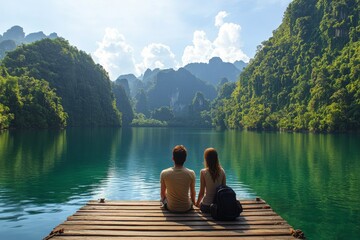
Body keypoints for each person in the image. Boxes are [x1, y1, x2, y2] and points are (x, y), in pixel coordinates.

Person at [160, 145, 196, 212]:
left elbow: (162, 194)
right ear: (185, 159)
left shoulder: (164, 173)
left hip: (171, 208)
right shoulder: (191, 173)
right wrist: (193, 203)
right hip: (186, 208)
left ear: (173, 158)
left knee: (162, 200)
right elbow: (192, 194)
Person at [195, 147, 226, 213]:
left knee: (202, 204)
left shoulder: (203, 172)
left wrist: (197, 204)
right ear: (216, 158)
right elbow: (224, 189)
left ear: (206, 159)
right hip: (218, 206)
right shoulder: (222, 171)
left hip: (206, 206)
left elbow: (201, 193)